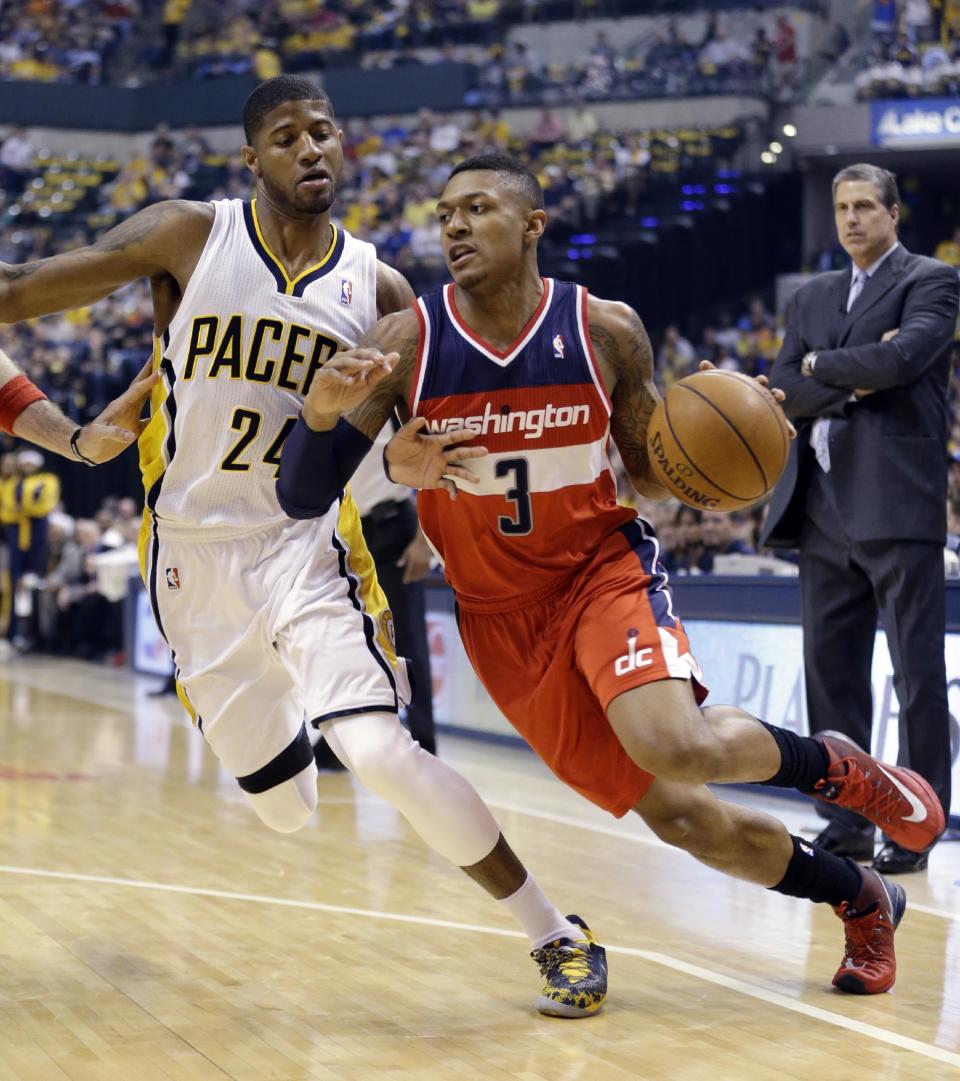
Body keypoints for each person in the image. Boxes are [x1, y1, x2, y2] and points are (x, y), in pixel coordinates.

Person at [0, 78, 606, 1019]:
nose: (312, 148)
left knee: (380, 752)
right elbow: (16, 295)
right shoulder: (186, 236)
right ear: (254, 160)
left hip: (305, 545)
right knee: (283, 808)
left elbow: (409, 449)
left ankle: (554, 932)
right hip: (190, 563)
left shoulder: (383, 289)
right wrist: (71, 422)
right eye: (287, 137)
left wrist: (409, 465)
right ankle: (281, 708)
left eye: (324, 132)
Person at [278, 152, 946, 997]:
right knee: (683, 818)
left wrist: (726, 426)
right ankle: (863, 897)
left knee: (674, 742)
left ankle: (842, 770)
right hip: (499, 618)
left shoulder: (605, 330)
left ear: (532, 225)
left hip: (600, 571)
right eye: (444, 212)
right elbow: (303, 491)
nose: (452, 226)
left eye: (476, 208)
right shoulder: (408, 340)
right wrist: (345, 429)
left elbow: (657, 473)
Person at [761, 163, 959, 874]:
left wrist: (820, 370)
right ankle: (844, 826)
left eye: (866, 206)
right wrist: (846, 378)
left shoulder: (931, 280)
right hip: (819, 507)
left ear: (893, 214)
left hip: (897, 503)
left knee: (917, 675)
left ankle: (916, 823)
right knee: (832, 680)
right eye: (842, 206)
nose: (851, 219)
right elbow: (782, 387)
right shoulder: (811, 295)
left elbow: (903, 358)